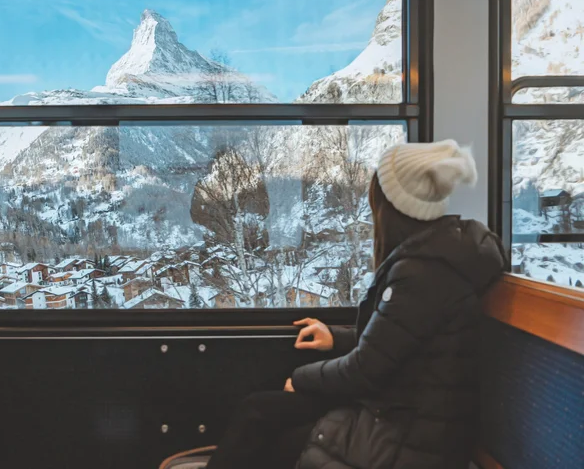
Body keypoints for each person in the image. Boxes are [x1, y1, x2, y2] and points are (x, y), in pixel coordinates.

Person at [205, 140, 507, 469]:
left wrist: (301, 378)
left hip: (404, 435)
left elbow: (364, 370)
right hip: (399, 412)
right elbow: (400, 339)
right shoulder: (435, 258)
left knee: (261, 420)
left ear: (391, 207)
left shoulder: (423, 273)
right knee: (260, 412)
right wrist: (338, 336)